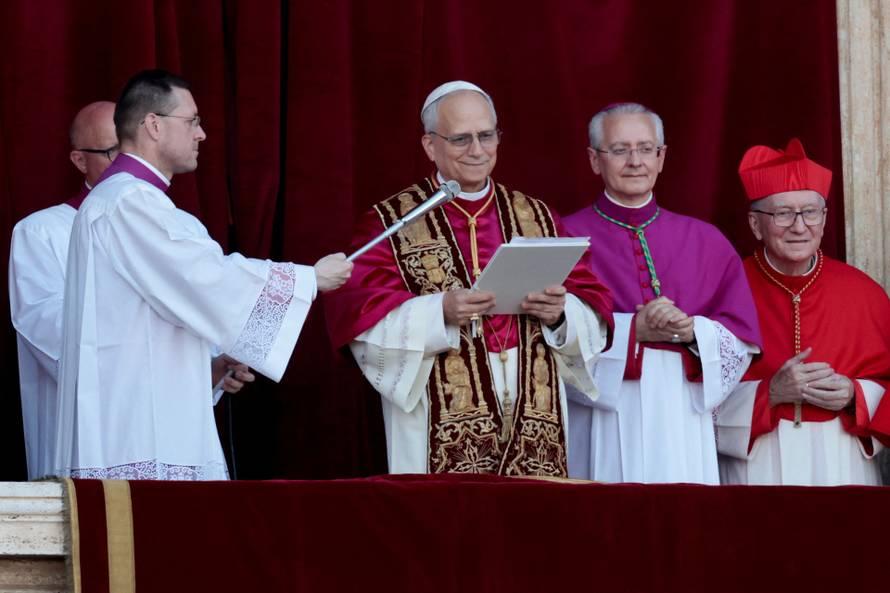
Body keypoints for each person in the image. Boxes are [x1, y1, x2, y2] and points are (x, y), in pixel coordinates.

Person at [54, 70, 352, 480]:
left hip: (149, 411)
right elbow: (204, 277)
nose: (202, 134)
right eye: (192, 121)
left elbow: (164, 310)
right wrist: (306, 279)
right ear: (154, 125)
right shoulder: (128, 201)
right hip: (140, 430)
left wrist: (211, 364)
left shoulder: (132, 200)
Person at [325, 81, 613, 476]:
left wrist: (560, 315)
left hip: (535, 407)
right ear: (430, 145)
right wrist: (438, 311)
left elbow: (593, 304)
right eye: (460, 138)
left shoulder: (538, 217)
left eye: (486, 135)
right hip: (438, 414)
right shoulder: (391, 222)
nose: (477, 150)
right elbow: (362, 318)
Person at [562, 102, 762, 484]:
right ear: (594, 159)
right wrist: (631, 329)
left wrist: (691, 332)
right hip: (604, 406)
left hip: (681, 409)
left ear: (662, 156)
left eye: (646, 148)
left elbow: (741, 338)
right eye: (619, 149)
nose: (635, 161)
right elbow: (549, 333)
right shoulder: (563, 235)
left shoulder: (707, 240)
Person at [715, 138, 890, 485]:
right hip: (756, 464)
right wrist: (771, 393)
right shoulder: (724, 290)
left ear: (824, 219)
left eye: (810, 212)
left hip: (844, 462)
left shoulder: (864, 292)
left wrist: (856, 396)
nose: (799, 226)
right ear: (754, 224)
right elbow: (691, 398)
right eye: (783, 213)